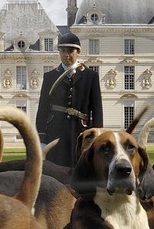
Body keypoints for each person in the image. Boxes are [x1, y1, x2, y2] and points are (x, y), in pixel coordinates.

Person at [35, 30, 103, 168]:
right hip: (56, 129)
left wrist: (97, 134)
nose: (66, 54)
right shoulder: (50, 77)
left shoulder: (91, 76)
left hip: (81, 130)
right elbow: (43, 107)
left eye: (70, 51)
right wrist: (41, 136)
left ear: (78, 52)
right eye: (63, 50)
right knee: (55, 167)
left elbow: (96, 108)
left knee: (81, 166)